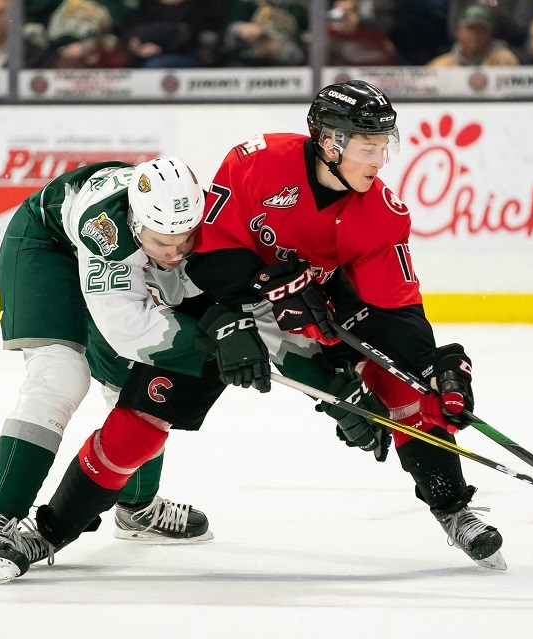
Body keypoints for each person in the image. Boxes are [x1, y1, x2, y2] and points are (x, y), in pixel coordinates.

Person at [28, 80, 505, 573]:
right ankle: (48, 531)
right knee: (145, 414)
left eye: (385, 146)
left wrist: (430, 366)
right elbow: (204, 256)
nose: (380, 161)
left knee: (403, 383)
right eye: (369, 147)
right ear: (329, 142)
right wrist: (264, 284)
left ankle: (453, 509)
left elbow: (395, 306)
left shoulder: (382, 213)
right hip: (223, 310)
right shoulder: (257, 162)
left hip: (317, 313)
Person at [0, 157, 223, 583]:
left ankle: (138, 507)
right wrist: (212, 342)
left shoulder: (187, 221)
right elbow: (128, 329)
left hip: (110, 263)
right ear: (134, 221)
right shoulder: (106, 230)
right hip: (46, 247)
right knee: (59, 376)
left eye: (184, 241)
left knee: (134, 381)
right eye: (161, 242)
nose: (174, 253)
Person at [427, 2, 519, 67]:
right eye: (471, 29)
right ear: (459, 31)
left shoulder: (504, 61)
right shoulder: (441, 66)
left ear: (491, 34)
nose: (476, 35)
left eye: (482, 29)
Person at [326, 0, 399, 66]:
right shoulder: (327, 34)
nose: (348, 17)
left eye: (351, 11)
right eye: (341, 13)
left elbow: (389, 57)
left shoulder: (371, 34)